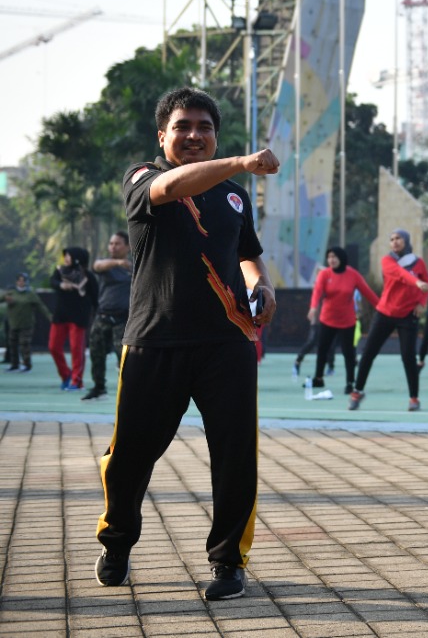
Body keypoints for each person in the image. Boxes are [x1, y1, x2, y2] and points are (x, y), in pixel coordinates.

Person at [96, 86, 279, 602]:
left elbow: (247, 253)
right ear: (163, 136)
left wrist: (260, 284)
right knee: (130, 454)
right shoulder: (143, 177)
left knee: (235, 455)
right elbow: (171, 189)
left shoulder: (234, 196)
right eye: (183, 127)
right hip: (156, 341)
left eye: (205, 127)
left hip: (229, 344)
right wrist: (240, 161)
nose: (195, 135)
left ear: (214, 134)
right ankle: (117, 542)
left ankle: (228, 563)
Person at [348, 230, 428, 412]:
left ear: (406, 241)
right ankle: (357, 391)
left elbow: (427, 283)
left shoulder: (418, 262)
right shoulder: (388, 261)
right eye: (391, 239)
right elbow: (401, 274)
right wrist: (416, 283)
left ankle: (414, 398)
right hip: (385, 313)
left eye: (398, 238)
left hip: (408, 315)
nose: (394, 242)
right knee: (368, 352)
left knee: (408, 357)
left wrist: (421, 303)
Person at [308, 246, 379, 398]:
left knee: (348, 353)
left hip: (347, 321)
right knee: (322, 349)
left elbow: (368, 292)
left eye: (334, 257)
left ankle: (350, 382)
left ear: (341, 258)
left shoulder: (353, 275)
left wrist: (381, 307)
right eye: (329, 257)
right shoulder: (324, 274)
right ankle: (318, 378)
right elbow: (317, 292)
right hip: (327, 319)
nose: (331, 260)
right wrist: (313, 308)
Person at [83, 232, 132, 401]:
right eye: (111, 243)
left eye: (117, 243)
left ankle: (128, 392)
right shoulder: (105, 265)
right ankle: (99, 388)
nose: (113, 247)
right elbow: (97, 266)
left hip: (123, 320)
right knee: (96, 355)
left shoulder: (134, 268)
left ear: (128, 246)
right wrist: (118, 262)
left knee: (125, 359)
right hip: (102, 317)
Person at [49, 246, 97, 391]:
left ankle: (77, 381)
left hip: (79, 317)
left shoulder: (87, 276)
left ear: (77, 258)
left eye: (69, 256)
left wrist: (96, 314)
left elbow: (95, 297)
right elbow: (53, 282)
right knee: (53, 347)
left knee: (77, 350)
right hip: (60, 316)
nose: (66, 258)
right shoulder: (59, 271)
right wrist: (61, 285)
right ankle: (66, 375)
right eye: (66, 255)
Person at [4, 272, 51, 372]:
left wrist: (50, 317)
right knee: (12, 344)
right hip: (14, 323)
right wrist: (5, 298)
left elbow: (41, 307)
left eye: (23, 281)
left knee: (24, 344)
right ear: (16, 282)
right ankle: (14, 364)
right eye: (19, 280)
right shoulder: (11, 292)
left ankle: (27, 364)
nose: (21, 283)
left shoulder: (30, 294)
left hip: (27, 324)